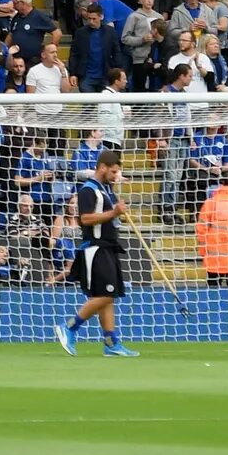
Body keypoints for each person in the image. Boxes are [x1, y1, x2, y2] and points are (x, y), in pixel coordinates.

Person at [57, 145, 134, 357]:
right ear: (102, 167)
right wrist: (114, 212)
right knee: (105, 295)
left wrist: (116, 213)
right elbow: (86, 219)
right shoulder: (88, 190)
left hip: (108, 247)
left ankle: (111, 343)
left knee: (108, 296)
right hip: (95, 248)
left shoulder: (104, 190)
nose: (116, 175)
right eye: (113, 171)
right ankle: (70, 326)